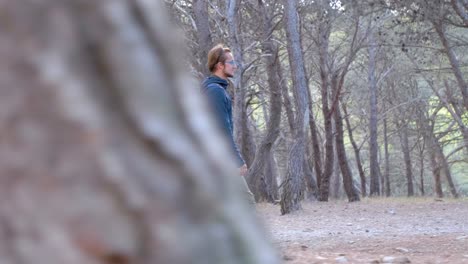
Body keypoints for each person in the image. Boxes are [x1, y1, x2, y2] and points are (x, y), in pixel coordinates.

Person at [201, 44, 255, 205]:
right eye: (231, 62)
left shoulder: (215, 89)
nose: (235, 66)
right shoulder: (215, 91)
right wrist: (237, 160)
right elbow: (222, 129)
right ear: (220, 65)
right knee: (247, 202)